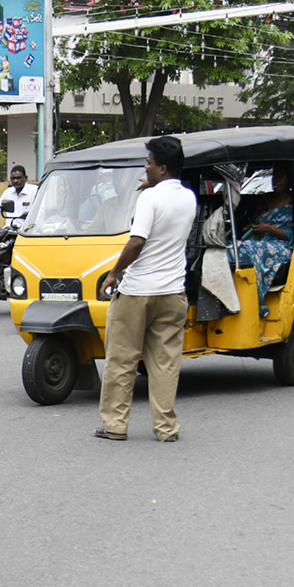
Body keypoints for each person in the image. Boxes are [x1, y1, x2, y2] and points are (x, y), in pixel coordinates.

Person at [96, 136, 197, 443]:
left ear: (162, 168)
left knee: (122, 360)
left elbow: (138, 240)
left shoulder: (149, 199)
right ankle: (166, 429)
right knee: (165, 364)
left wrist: (114, 274)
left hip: (138, 292)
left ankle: (115, 424)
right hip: (173, 292)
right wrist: (150, 189)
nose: (146, 167)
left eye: (149, 163)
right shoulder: (190, 198)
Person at [235, 163, 294, 317]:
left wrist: (269, 229)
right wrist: (251, 227)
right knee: (233, 247)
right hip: (261, 240)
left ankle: (257, 299)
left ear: (290, 179)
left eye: (282, 176)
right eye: (275, 176)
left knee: (248, 248)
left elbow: (293, 235)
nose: (277, 180)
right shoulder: (265, 199)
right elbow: (257, 220)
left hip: (282, 245)